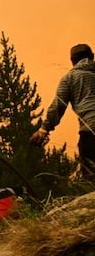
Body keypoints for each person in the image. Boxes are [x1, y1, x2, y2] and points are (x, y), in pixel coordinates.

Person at [30, 43, 95, 181]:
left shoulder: (70, 78)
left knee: (92, 176)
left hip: (91, 131)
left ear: (72, 61)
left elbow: (58, 106)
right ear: (92, 57)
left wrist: (43, 130)